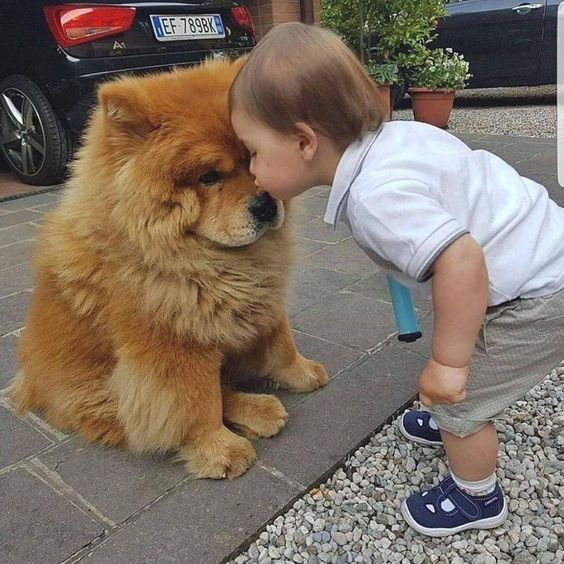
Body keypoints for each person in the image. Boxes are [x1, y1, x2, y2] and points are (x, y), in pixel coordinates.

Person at [228, 22, 564, 537]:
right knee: (466, 347)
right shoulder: (399, 138)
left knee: (465, 398)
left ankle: (477, 496)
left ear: (303, 141)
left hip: (540, 293)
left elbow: (461, 261)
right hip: (543, 249)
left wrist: (448, 366)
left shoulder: (375, 200)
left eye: (252, 151)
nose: (250, 170)